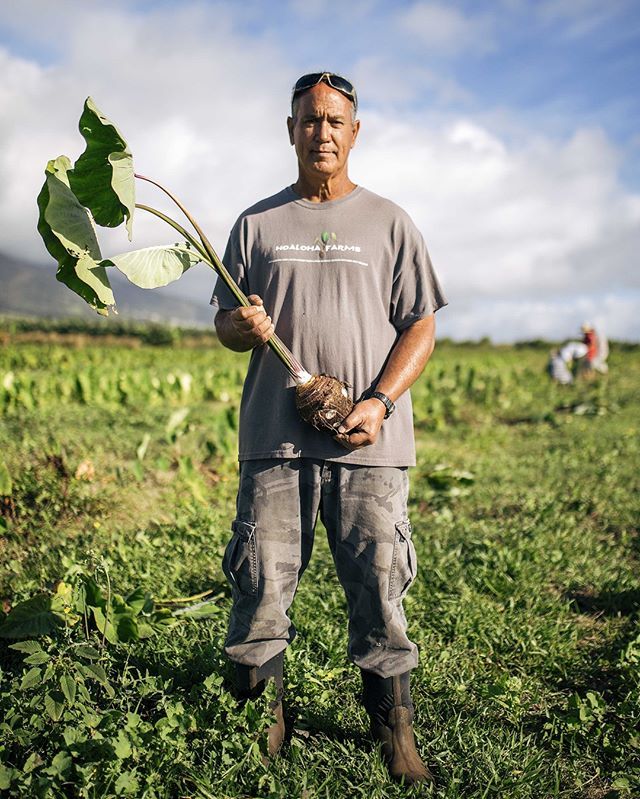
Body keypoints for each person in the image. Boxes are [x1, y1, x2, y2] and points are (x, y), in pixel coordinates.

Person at [211, 71, 447, 785]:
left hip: (369, 444)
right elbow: (223, 324)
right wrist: (240, 325)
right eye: (310, 120)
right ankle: (260, 721)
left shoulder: (390, 221)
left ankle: (394, 730)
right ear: (291, 130)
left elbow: (422, 325)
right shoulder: (254, 224)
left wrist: (378, 399)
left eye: (336, 121)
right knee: (260, 584)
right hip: (276, 442)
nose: (323, 132)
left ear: (355, 130)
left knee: (381, 585)